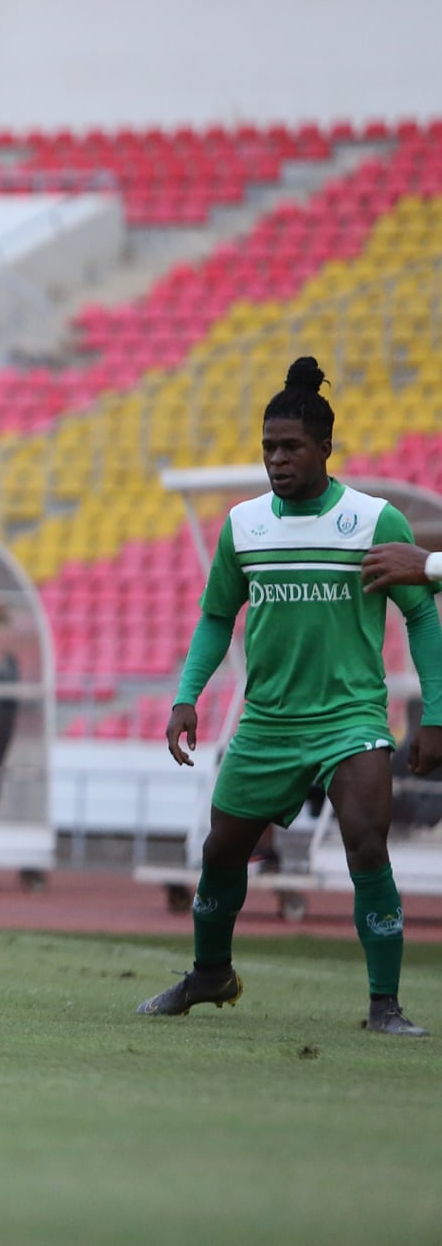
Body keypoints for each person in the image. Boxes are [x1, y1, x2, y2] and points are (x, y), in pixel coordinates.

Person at [141, 357, 442, 1036]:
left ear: (325, 447)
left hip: (350, 716)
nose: (277, 459)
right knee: (221, 851)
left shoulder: (373, 520)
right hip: (268, 721)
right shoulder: (244, 525)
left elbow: (421, 616)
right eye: (268, 447)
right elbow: (218, 614)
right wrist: (187, 694)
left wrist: (438, 713)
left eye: (290, 446)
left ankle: (384, 1004)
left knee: (368, 842)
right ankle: (210, 973)